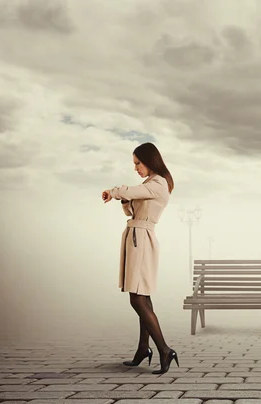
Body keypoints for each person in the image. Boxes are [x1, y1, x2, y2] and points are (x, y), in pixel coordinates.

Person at [101, 142, 179, 375]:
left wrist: (115, 192)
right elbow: (130, 209)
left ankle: (164, 349)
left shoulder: (159, 183)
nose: (136, 168)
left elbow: (131, 192)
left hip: (141, 239)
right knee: (142, 296)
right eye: (134, 164)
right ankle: (143, 349)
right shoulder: (149, 184)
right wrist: (123, 199)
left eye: (138, 163)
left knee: (137, 299)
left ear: (150, 160)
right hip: (136, 236)